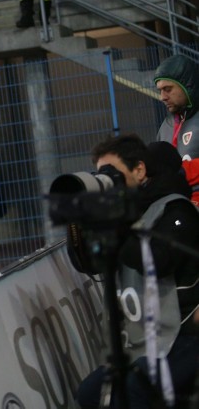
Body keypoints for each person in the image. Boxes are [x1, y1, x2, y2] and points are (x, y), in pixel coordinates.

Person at [67, 135, 199, 408]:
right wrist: (79, 222)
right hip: (143, 341)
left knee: (134, 390)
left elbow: (158, 260)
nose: (107, 183)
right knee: (90, 393)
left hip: (185, 337)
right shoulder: (128, 216)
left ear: (139, 170)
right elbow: (88, 263)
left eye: (112, 174)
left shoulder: (176, 210)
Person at [154, 54, 199, 204]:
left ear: (188, 85)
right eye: (160, 90)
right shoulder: (166, 125)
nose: (162, 97)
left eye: (167, 89)